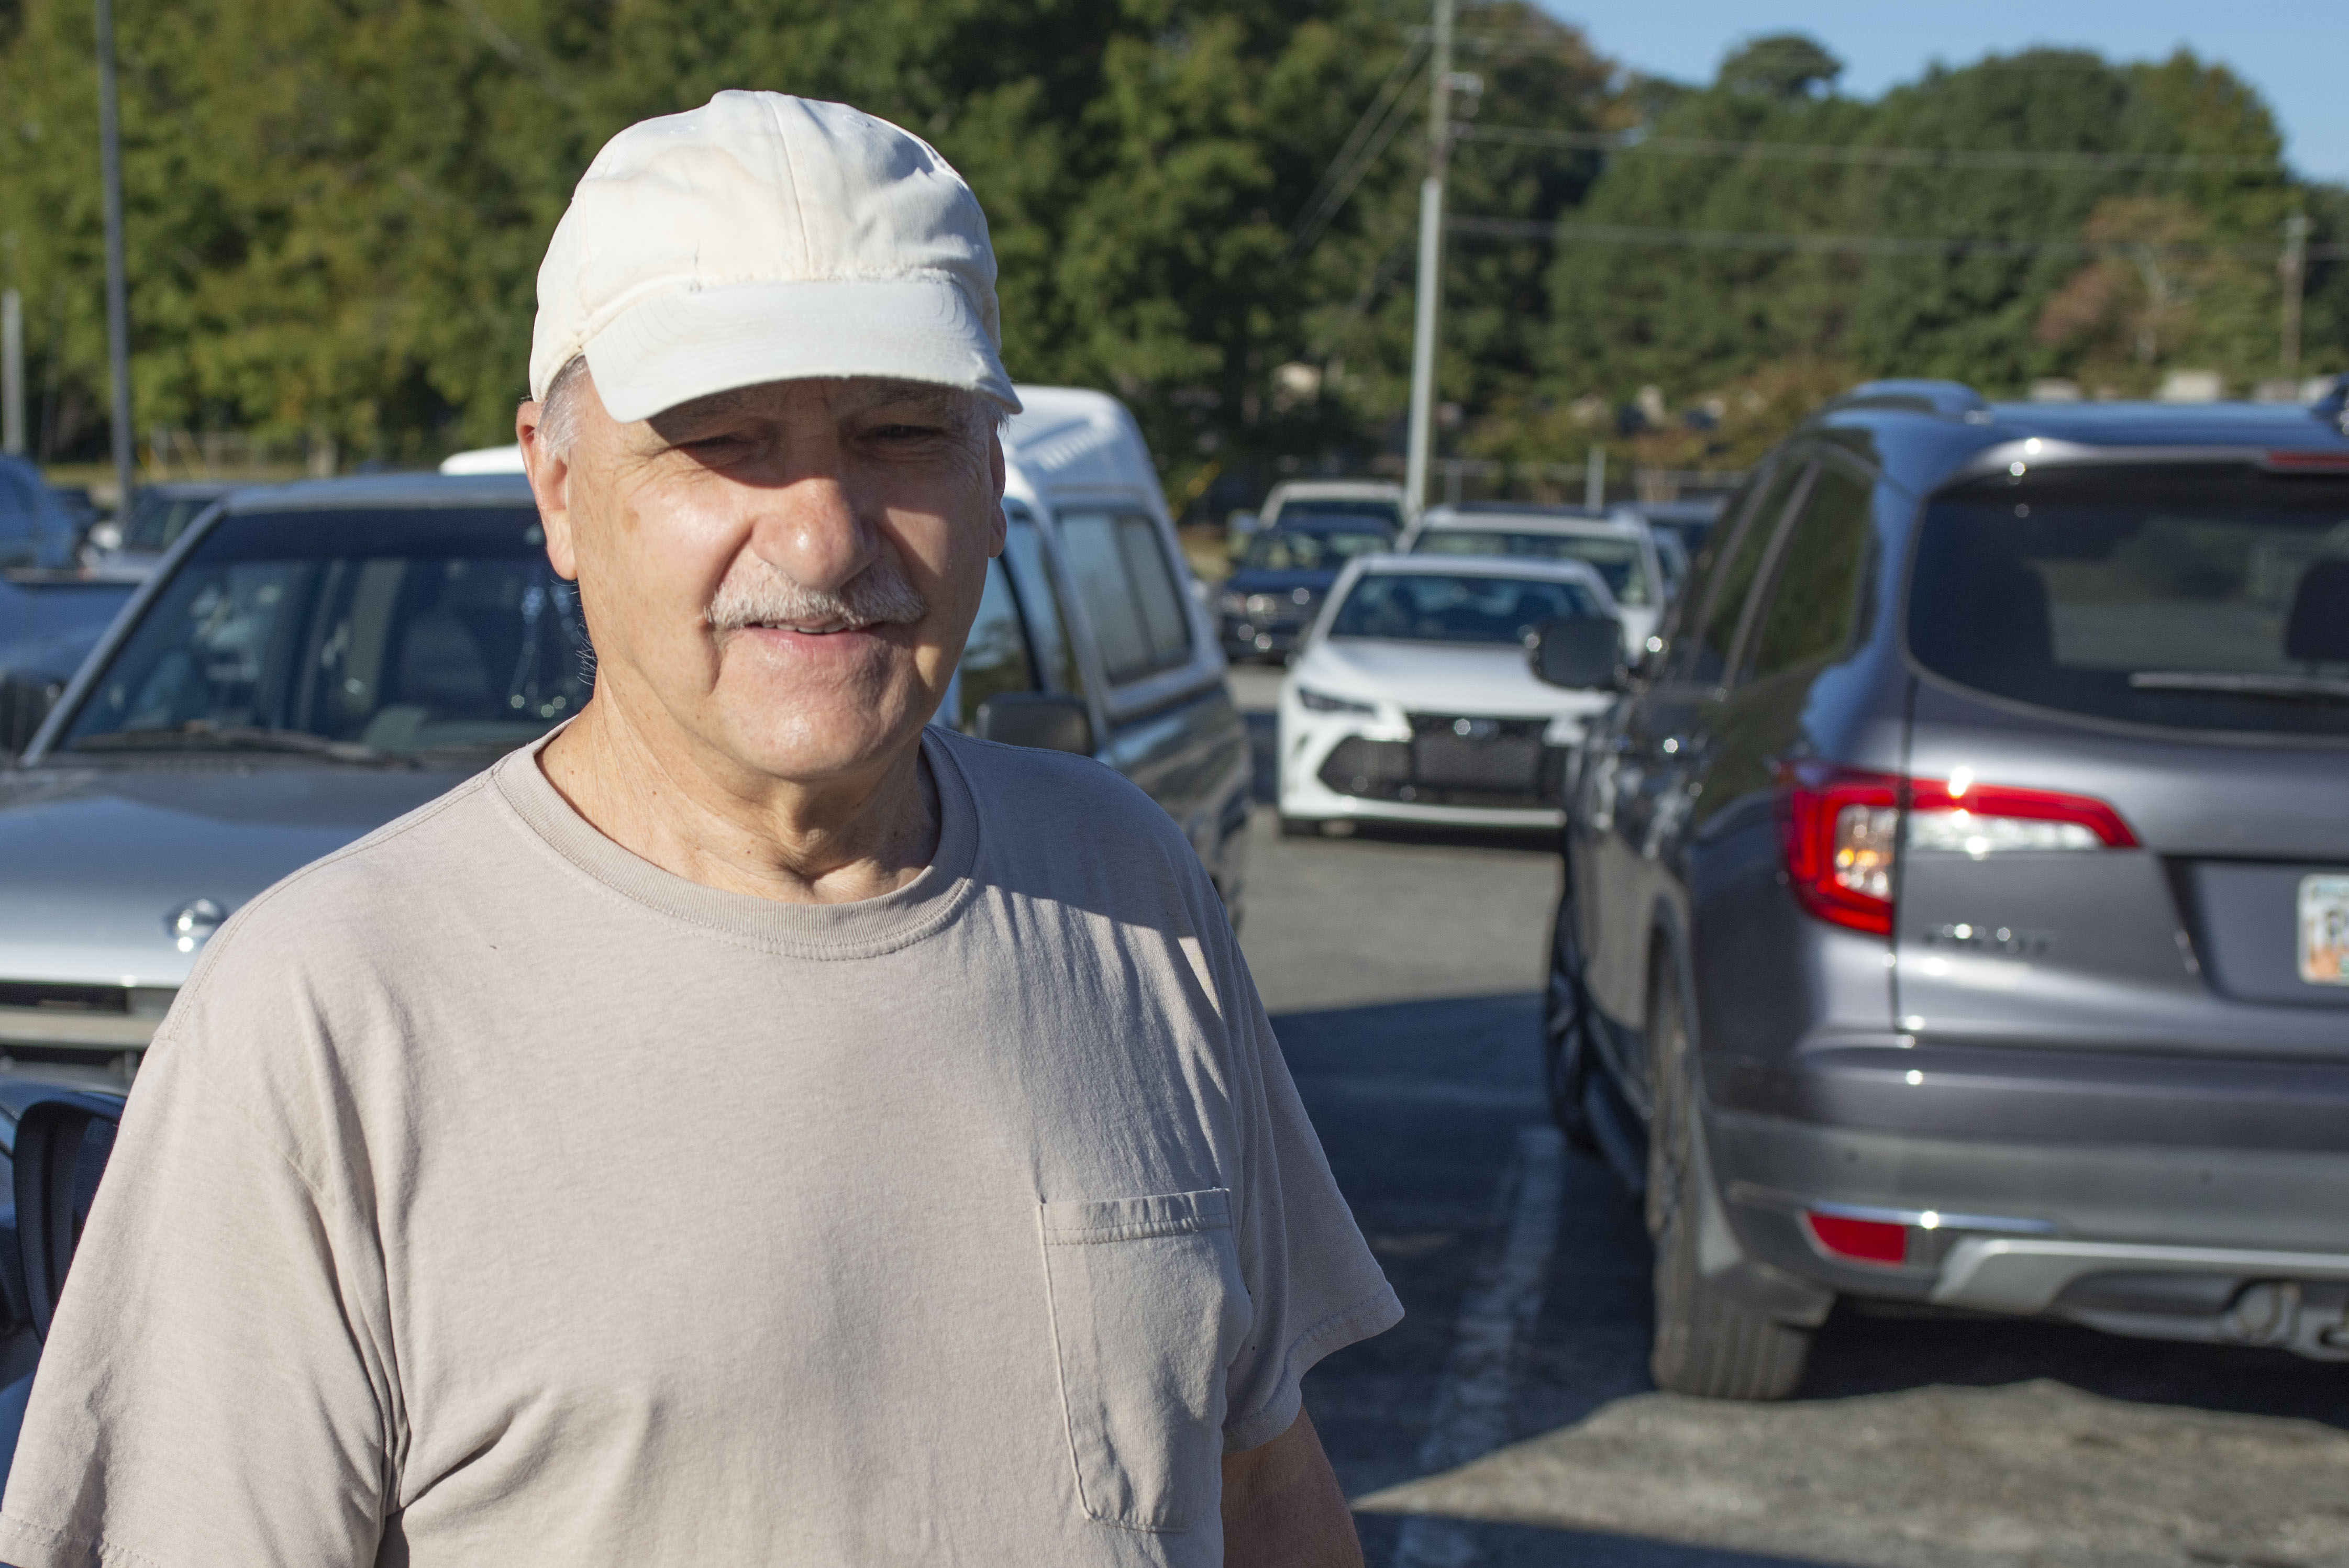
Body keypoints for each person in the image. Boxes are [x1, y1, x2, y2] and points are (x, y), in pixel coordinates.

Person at [0, 93, 1398, 1566]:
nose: (820, 534)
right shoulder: (327, 1014)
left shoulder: (1127, 886)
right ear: (556, 483)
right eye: (722, 440)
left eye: (900, 430)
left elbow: (1257, 1487)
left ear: (995, 474)